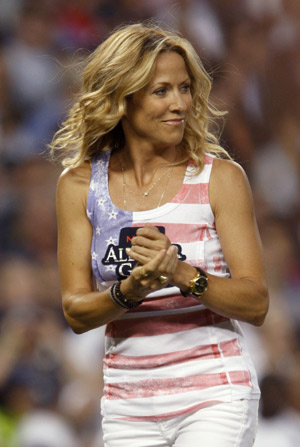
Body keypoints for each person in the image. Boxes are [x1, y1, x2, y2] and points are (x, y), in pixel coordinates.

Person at [50, 23, 269, 447]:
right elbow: (75, 311)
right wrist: (129, 291)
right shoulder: (79, 186)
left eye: (185, 88)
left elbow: (256, 302)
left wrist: (184, 275)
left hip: (214, 397)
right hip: (127, 408)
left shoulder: (218, 178)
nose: (180, 104)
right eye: (161, 91)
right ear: (123, 98)